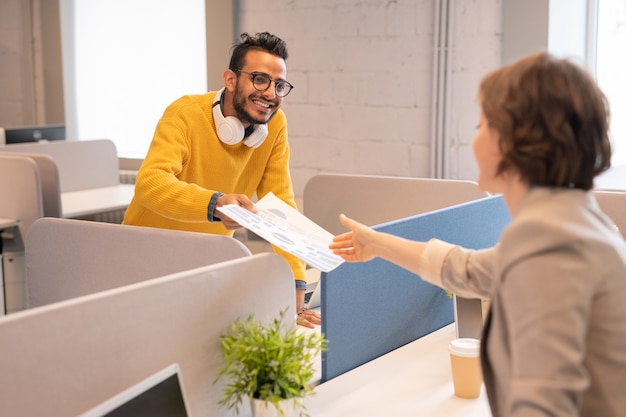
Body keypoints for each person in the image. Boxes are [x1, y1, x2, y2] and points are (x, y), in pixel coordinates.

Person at [329, 52, 626, 416]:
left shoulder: (551, 247)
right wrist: (375, 242)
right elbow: (466, 270)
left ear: (515, 140)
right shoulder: (573, 223)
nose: (473, 141)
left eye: (481, 125)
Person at [123, 32, 320, 328]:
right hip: (142, 265)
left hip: (205, 269)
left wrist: (296, 286)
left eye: (279, 85)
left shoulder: (275, 125)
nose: (270, 93)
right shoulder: (185, 114)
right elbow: (151, 182)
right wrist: (215, 204)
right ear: (230, 80)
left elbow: (281, 206)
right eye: (259, 79)